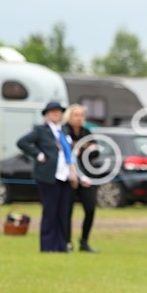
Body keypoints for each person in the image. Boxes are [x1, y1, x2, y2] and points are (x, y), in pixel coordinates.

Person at [16, 101, 73, 253]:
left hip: (64, 176)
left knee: (63, 212)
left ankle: (62, 245)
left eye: (58, 112)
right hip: (49, 176)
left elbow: (68, 151)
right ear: (47, 115)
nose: (56, 114)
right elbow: (22, 142)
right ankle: (48, 245)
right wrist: (39, 155)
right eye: (53, 112)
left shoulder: (64, 130)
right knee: (50, 212)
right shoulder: (41, 130)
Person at [61, 105, 98, 253]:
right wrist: (84, 149)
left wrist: (80, 149)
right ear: (69, 116)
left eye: (81, 115)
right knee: (67, 210)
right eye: (76, 115)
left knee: (90, 208)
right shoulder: (64, 131)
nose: (79, 118)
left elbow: (95, 152)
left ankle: (84, 241)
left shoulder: (87, 132)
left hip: (86, 177)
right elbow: (68, 153)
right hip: (69, 177)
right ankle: (67, 242)